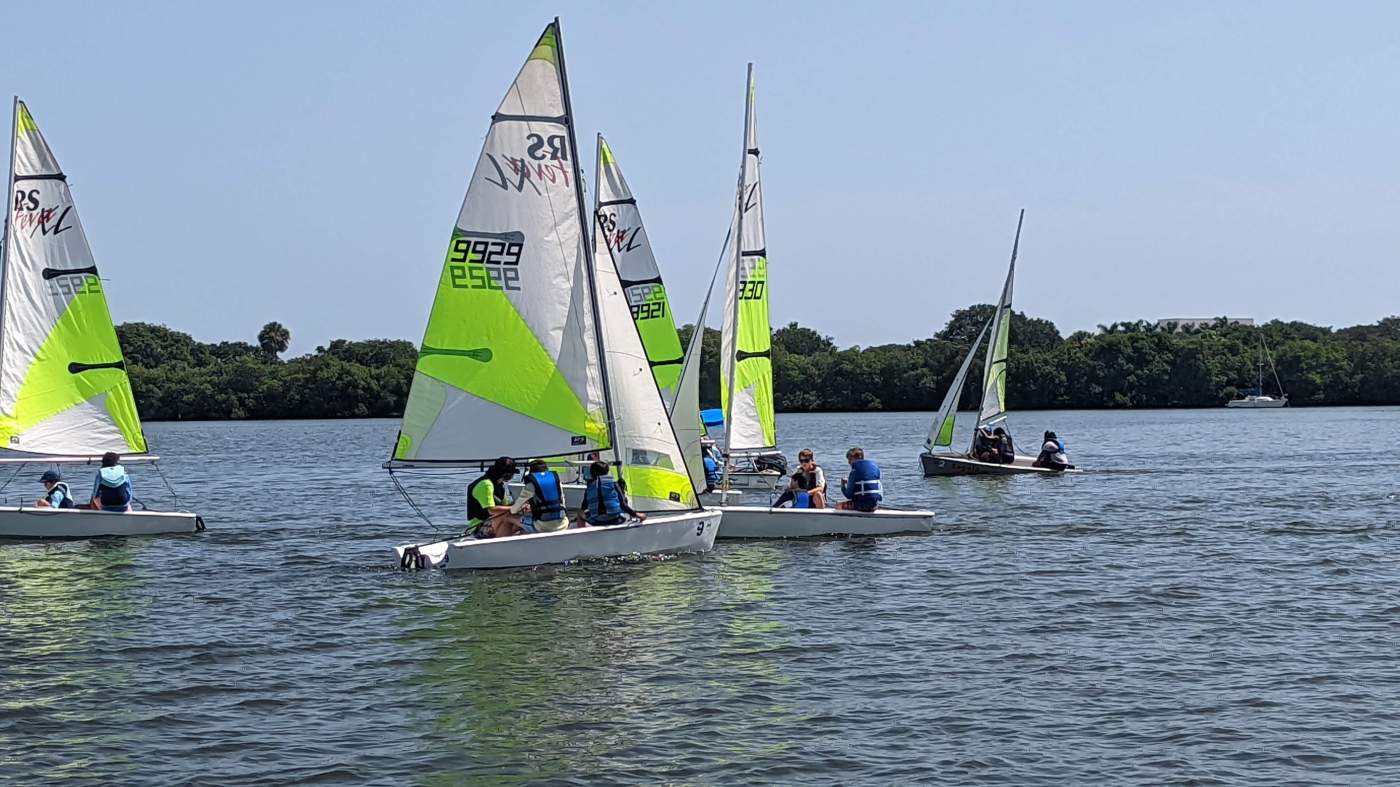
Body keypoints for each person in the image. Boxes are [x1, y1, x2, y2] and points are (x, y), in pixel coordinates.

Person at [466, 457, 524, 539]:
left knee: (519, 516)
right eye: (512, 473)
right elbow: (491, 510)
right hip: (478, 528)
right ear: (505, 473)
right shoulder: (486, 484)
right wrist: (516, 507)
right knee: (509, 517)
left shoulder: (499, 485)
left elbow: (505, 506)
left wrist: (523, 504)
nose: (513, 475)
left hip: (493, 522)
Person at [578, 461, 645, 526]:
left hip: (596, 520)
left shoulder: (590, 486)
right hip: (615, 519)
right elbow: (623, 505)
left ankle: (582, 535)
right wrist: (637, 515)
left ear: (592, 473)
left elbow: (583, 508)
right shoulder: (613, 483)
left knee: (579, 514)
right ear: (607, 472)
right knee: (623, 505)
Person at [510, 459, 568, 533]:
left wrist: (520, 507)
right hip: (563, 524)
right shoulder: (556, 480)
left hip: (543, 527)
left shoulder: (531, 484)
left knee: (509, 518)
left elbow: (513, 510)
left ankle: (505, 542)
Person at [837, 447, 882, 512]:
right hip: (874, 505)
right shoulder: (874, 466)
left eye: (850, 459)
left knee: (838, 505)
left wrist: (843, 486)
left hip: (861, 505)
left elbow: (848, 495)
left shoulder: (854, 471)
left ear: (858, 458)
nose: (849, 462)